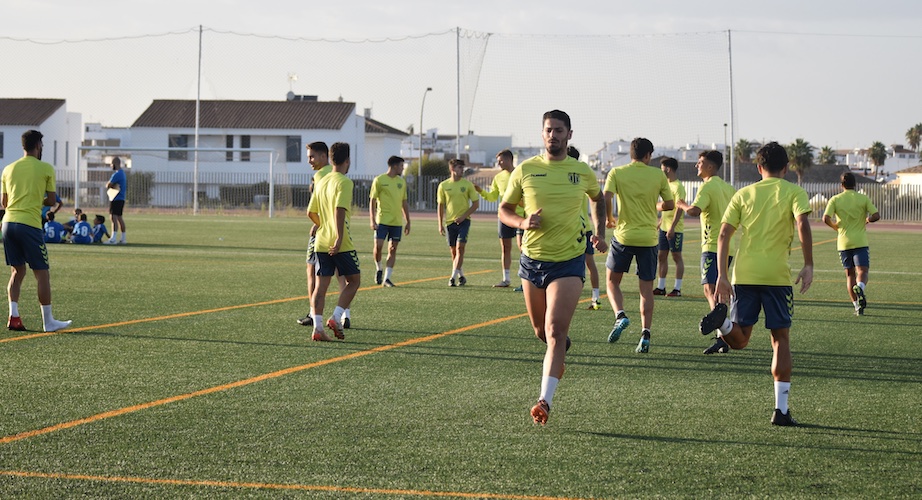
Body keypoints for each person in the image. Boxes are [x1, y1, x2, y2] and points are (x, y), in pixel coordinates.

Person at [500, 110, 607, 425]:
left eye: (559, 130)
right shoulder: (526, 170)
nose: (553, 135)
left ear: (569, 134)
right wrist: (522, 222)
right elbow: (504, 210)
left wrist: (599, 230)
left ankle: (544, 401)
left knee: (555, 330)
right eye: (549, 130)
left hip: (569, 261)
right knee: (540, 331)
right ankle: (559, 351)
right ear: (542, 133)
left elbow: (598, 199)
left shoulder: (581, 171)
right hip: (532, 261)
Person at [699, 141, 813, 427]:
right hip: (776, 276)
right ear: (786, 168)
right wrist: (809, 264)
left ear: (758, 167)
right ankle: (781, 410)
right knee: (780, 340)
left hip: (744, 275)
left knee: (740, 340)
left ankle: (723, 326)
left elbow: (724, 233)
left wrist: (722, 275)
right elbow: (802, 224)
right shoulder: (795, 192)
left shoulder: (743, 194)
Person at [603, 137, 673, 353]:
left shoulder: (617, 172)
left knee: (612, 282)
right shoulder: (658, 175)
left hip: (624, 236)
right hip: (648, 238)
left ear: (631, 154)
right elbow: (669, 204)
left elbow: (606, 195)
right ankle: (645, 334)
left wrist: (610, 217)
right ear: (648, 155)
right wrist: (654, 204)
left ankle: (620, 315)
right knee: (646, 290)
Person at [1, 130, 71, 332]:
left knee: (17, 271)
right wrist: (34, 199)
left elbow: (4, 203)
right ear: (39, 145)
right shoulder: (45, 168)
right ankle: (48, 322)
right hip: (29, 224)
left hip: (8, 224)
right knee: (42, 274)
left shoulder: (8, 169)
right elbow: (51, 201)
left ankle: (14, 317)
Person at [675, 150, 736, 354]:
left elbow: (695, 210)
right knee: (717, 290)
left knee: (710, 290)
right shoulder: (728, 188)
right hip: (729, 245)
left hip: (712, 245)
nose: (696, 166)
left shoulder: (707, 186)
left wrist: (681, 204)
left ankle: (723, 332)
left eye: (700, 162)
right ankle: (723, 335)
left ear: (710, 166)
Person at [306, 142, 361, 342]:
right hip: (341, 241)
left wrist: (322, 225)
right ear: (348, 161)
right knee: (354, 281)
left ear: (330, 159)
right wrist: (338, 236)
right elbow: (339, 210)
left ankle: (317, 328)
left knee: (321, 286)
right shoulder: (344, 182)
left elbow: (310, 212)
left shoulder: (322, 180)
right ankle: (336, 317)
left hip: (321, 241)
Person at [297, 142, 352, 328]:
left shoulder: (321, 175)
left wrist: (319, 225)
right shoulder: (337, 174)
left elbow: (315, 209)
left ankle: (314, 315)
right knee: (343, 275)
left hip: (323, 235)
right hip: (340, 232)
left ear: (323, 156)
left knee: (312, 271)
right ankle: (345, 315)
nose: (309, 161)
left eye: (312, 156)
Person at [822, 171, 880, 316]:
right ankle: (860, 287)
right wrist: (867, 220)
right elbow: (876, 215)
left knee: (850, 275)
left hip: (843, 242)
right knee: (863, 272)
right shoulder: (862, 198)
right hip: (860, 241)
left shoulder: (835, 199)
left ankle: (856, 306)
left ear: (841, 185)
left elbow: (825, 218)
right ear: (855, 184)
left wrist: (835, 226)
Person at [475, 149, 523, 288]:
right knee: (505, 248)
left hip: (520, 216)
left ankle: (524, 280)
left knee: (523, 248)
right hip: (504, 216)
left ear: (509, 160)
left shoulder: (520, 173)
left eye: (501, 160)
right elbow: (492, 197)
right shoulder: (498, 177)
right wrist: (480, 191)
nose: (499, 163)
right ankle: (506, 279)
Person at [567, 146, 601, 310]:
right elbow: (595, 198)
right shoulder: (583, 175)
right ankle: (596, 298)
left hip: (570, 228)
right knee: (589, 263)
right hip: (584, 226)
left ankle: (568, 298)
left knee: (572, 264)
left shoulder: (564, 176)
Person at [369, 155, 411, 287]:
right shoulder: (379, 180)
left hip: (396, 222)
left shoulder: (401, 182)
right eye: (401, 166)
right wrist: (372, 219)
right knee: (378, 248)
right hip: (382, 220)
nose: (402, 169)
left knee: (392, 249)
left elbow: (404, 202)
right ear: (394, 166)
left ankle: (387, 278)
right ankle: (379, 268)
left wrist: (408, 220)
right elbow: (373, 200)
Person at [437, 158, 480, 287]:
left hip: (464, 222)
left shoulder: (467, 185)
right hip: (450, 222)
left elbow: (476, 204)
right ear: (452, 169)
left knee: (460, 248)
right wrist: (440, 223)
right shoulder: (443, 186)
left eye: (462, 168)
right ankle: (461, 275)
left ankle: (452, 277)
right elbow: (440, 205)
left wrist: (463, 216)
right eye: (459, 168)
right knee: (454, 252)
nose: (462, 170)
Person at [654, 157, 685, 297]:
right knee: (662, 256)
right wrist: (661, 223)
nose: (661, 172)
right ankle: (661, 287)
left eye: (662, 169)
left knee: (676, 256)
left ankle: (677, 289)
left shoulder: (678, 187)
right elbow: (666, 208)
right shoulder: (666, 184)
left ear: (668, 169)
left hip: (675, 229)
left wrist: (672, 227)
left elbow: (679, 208)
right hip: (664, 227)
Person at [105, 157, 127, 244]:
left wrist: (109, 185)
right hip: (121, 198)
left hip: (116, 198)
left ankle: (113, 238)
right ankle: (123, 238)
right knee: (119, 217)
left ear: (115, 164)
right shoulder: (123, 173)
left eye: (111, 164)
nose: (111, 166)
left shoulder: (117, 174)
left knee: (113, 217)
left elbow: (108, 184)